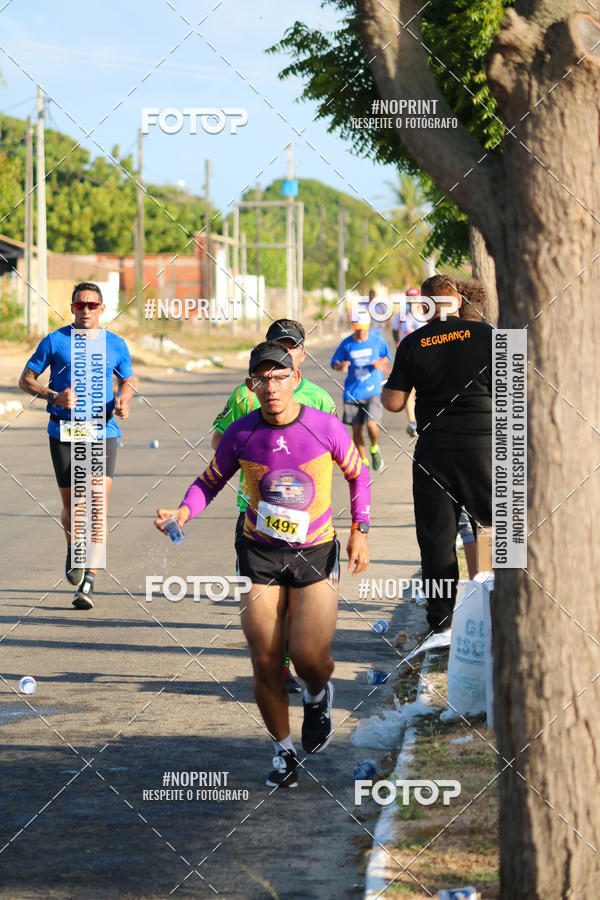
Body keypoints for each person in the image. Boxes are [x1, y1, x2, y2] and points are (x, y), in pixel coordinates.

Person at [155, 341, 370, 789]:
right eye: (262, 378)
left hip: (314, 551)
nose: (271, 386)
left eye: (279, 376)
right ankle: (283, 753)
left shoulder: (325, 427)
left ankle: (317, 695)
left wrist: (359, 529)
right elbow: (209, 481)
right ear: (252, 384)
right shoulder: (242, 433)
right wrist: (182, 512)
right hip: (260, 552)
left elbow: (357, 473)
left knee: (311, 657)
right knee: (266, 657)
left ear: (295, 379)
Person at [211, 318, 336, 693]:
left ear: (301, 354)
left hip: (308, 519)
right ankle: (281, 668)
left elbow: (336, 452)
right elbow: (220, 438)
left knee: (301, 605)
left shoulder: (319, 399)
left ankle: (299, 663)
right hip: (255, 513)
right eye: (278, 346)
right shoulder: (244, 394)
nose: (287, 353)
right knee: (269, 602)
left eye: (293, 347)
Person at [382, 274, 492, 635]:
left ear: (424, 308)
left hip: (435, 453)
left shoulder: (412, 343)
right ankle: (504, 614)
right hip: (487, 448)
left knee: (437, 540)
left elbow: (395, 402)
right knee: (503, 531)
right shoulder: (490, 335)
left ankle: (442, 624)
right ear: (458, 301)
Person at [19, 282, 135, 610]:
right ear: (72, 308)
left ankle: (89, 581)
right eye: (80, 305)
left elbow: (127, 381)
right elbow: (25, 379)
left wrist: (124, 399)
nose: (86, 310)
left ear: (102, 309)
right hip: (63, 432)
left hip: (102, 430)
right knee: (74, 508)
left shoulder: (116, 344)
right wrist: (52, 395)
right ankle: (74, 545)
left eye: (92, 305)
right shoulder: (55, 341)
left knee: (96, 504)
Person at [330, 310, 390, 471]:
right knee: (356, 429)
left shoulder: (378, 340)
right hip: (352, 392)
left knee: (371, 424)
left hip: (373, 391)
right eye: (357, 328)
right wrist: (340, 366)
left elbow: (387, 356)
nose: (360, 332)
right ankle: (363, 460)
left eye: (362, 328)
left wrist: (380, 364)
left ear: (368, 326)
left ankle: (375, 448)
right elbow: (334, 362)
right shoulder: (347, 343)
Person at [392, 287, 423, 438]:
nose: (412, 302)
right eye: (410, 299)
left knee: (422, 389)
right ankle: (412, 422)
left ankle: (423, 419)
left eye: (415, 299)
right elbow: (394, 329)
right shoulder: (401, 315)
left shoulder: (425, 314)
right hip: (407, 357)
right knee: (409, 391)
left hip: (423, 356)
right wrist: (398, 342)